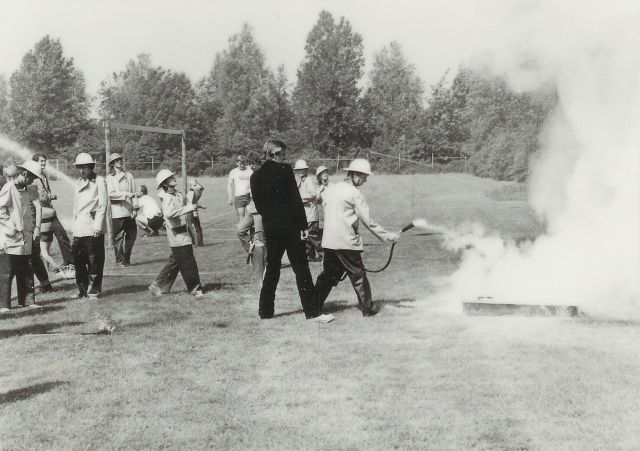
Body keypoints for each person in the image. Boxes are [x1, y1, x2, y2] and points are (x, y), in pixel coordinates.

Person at [250, 138, 334, 323]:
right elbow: (295, 200)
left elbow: (259, 205)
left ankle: (265, 312)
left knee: (272, 269)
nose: (285, 158)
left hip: (271, 228)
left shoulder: (255, 176)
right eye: (283, 154)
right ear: (276, 154)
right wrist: (303, 226)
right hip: (290, 228)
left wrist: (272, 219)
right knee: (302, 269)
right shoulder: (285, 170)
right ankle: (312, 312)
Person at [314, 159, 400, 317]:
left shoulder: (332, 188)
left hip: (329, 241)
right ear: (355, 175)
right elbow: (368, 222)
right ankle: (368, 309)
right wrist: (388, 235)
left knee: (328, 275)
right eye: (364, 176)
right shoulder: (354, 193)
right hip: (346, 242)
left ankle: (313, 306)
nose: (366, 180)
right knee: (358, 275)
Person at [148, 169, 205, 299]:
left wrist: (197, 201)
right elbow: (169, 213)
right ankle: (196, 290)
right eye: (170, 178)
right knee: (188, 262)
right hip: (176, 234)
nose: (174, 178)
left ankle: (158, 285)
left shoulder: (178, 194)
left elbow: (189, 203)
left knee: (175, 262)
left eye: (173, 176)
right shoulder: (167, 197)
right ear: (165, 183)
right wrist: (189, 208)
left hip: (183, 232)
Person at [0, 162, 42, 310]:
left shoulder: (28, 189)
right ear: (24, 174)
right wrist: (11, 227)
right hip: (10, 236)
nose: (32, 181)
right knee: (7, 270)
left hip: (25, 236)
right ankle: (4, 304)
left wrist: (33, 228)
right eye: (31, 178)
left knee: (26, 269)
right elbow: (1, 210)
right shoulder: (8, 188)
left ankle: (27, 301)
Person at [72, 153, 108, 299]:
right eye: (79, 167)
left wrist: (98, 226)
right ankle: (81, 289)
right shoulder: (78, 183)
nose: (82, 170)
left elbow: (103, 205)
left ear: (90, 167)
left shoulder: (99, 181)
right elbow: (75, 206)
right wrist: (74, 226)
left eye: (84, 167)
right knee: (79, 261)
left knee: (95, 261)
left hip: (93, 227)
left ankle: (94, 289)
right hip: (79, 228)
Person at [31, 154, 74, 271]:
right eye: (41, 161)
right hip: (42, 215)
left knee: (62, 236)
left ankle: (70, 264)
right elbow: (36, 198)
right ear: (35, 163)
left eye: (45, 161)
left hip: (50, 212)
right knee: (45, 245)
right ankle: (49, 270)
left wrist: (49, 196)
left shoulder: (44, 175)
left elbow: (45, 194)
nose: (44, 163)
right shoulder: (33, 178)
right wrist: (49, 197)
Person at [106, 153, 137, 267]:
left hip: (129, 210)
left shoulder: (129, 176)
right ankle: (120, 260)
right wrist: (125, 194)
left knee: (132, 235)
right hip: (117, 212)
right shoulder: (109, 178)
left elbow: (134, 193)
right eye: (116, 160)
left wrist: (135, 208)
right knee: (118, 237)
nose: (119, 161)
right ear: (112, 164)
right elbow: (110, 194)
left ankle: (126, 258)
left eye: (120, 159)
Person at [294, 159, 322, 262]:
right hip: (304, 214)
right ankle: (310, 256)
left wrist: (299, 199)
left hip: (311, 213)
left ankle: (324, 254)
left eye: (303, 170)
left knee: (313, 236)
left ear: (306, 170)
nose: (301, 172)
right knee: (306, 235)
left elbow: (313, 194)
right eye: (299, 170)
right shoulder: (299, 181)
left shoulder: (308, 180)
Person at [227, 154, 253, 222]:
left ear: (245, 162)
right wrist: (230, 197)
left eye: (243, 163)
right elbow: (229, 185)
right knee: (241, 217)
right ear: (236, 163)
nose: (242, 165)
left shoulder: (250, 170)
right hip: (239, 197)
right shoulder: (233, 172)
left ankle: (252, 232)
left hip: (249, 196)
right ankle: (242, 232)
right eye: (240, 164)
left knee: (251, 215)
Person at [186, 178, 204, 247]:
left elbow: (202, 187)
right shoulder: (191, 193)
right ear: (190, 186)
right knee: (195, 227)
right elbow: (191, 204)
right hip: (190, 212)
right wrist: (200, 206)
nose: (197, 186)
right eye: (195, 185)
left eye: (196, 184)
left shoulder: (194, 192)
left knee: (194, 227)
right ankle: (197, 243)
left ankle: (196, 243)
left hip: (192, 211)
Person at [315, 165, 330, 242]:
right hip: (321, 215)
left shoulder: (331, 186)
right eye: (322, 173)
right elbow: (317, 200)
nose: (325, 174)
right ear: (319, 176)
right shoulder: (318, 188)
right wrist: (319, 192)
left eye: (326, 172)